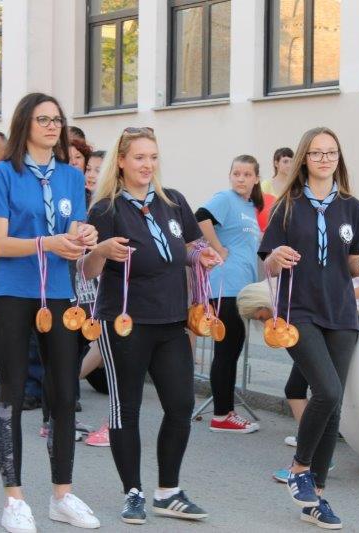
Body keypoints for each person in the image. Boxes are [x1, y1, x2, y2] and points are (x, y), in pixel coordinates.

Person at [0, 92, 101, 531]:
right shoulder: (1, 173)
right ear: (24, 124)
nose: (52, 126)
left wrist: (84, 236)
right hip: (12, 291)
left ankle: (62, 495)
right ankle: (14, 500)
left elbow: (74, 229)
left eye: (57, 120)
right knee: (12, 393)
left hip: (60, 293)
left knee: (64, 393)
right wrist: (48, 243)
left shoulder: (70, 176)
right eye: (43, 119)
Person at [83, 126, 220, 525]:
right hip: (125, 322)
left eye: (153, 157)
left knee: (181, 405)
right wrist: (101, 250)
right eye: (140, 157)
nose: (148, 165)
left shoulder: (172, 201)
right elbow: (88, 269)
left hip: (172, 320)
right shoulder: (106, 209)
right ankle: (133, 492)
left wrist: (202, 256)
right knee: (125, 408)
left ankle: (168, 491)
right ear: (121, 162)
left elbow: (189, 248)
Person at [259, 127, 359, 529]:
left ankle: (316, 496)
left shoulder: (354, 208)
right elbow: (268, 262)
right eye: (316, 153)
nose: (324, 159)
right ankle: (300, 468)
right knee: (327, 390)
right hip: (298, 311)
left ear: (338, 158)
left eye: (331, 152)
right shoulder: (287, 206)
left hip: (342, 314)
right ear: (304, 159)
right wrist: (276, 257)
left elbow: (352, 263)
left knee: (333, 404)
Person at [195, 155, 263, 433]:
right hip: (225, 284)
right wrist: (217, 248)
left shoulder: (250, 207)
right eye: (236, 173)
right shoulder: (225, 198)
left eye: (247, 174)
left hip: (242, 287)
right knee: (227, 348)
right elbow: (200, 217)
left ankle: (226, 410)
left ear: (256, 178)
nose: (241, 179)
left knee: (232, 348)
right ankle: (222, 415)